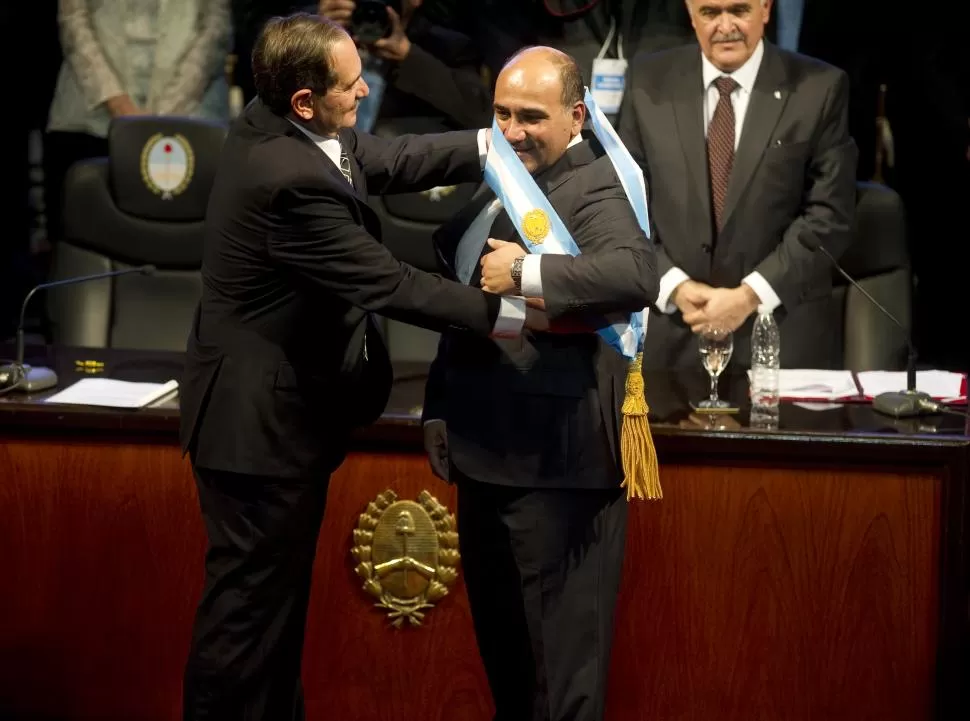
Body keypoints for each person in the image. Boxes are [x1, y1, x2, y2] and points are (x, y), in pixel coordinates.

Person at [178, 14, 546, 720]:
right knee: (247, 621)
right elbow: (390, 283)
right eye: (349, 86)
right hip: (255, 432)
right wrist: (510, 310)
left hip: (269, 418)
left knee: (271, 616)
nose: (363, 91)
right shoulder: (285, 180)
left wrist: (494, 140)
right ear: (304, 101)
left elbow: (386, 159)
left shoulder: (279, 125)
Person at [422, 46, 658, 721]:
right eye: (501, 114)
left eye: (532, 116)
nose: (514, 130)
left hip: (560, 472)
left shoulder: (597, 185)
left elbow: (635, 276)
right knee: (511, 673)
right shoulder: (502, 173)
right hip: (486, 455)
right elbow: (464, 302)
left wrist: (527, 273)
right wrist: (439, 409)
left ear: (576, 115)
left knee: (561, 685)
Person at [619, 0, 857, 369]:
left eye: (739, 10)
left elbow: (830, 213)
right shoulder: (646, 82)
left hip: (779, 332)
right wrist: (676, 287)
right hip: (671, 334)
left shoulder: (819, 88)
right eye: (710, 13)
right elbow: (623, 204)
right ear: (690, 12)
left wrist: (749, 296)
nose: (725, 26)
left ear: (765, 8)